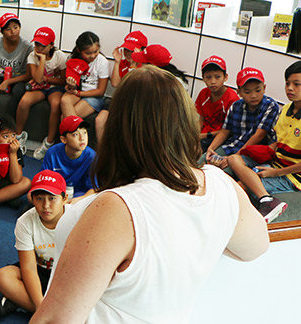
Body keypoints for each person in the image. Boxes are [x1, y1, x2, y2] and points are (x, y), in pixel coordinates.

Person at [30, 66, 270, 323]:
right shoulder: (221, 185)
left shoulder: (117, 208)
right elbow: (255, 247)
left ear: (119, 128)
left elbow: (54, 320)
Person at [226, 61, 301, 223]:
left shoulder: (271, 106)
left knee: (242, 185)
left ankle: (265, 201)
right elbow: (278, 141)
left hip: (293, 176)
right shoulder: (286, 109)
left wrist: (274, 173)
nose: (290, 88)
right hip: (275, 162)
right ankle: (266, 198)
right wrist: (262, 152)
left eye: (297, 84)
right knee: (233, 159)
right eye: (287, 83)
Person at [0, 170, 68, 318]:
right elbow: (29, 268)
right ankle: (50, 313)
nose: (46, 205)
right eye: (39, 198)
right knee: (3, 276)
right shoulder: (25, 222)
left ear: (64, 198)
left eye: (52, 198)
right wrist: (41, 308)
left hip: (66, 275)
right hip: (39, 269)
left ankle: (21, 303)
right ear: (32, 199)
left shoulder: (76, 218)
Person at [205, 67, 280, 175]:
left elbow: (258, 136)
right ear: (239, 92)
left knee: (223, 174)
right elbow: (224, 132)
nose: (253, 95)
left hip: (253, 151)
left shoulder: (271, 106)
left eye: (258, 90)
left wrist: (233, 158)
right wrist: (211, 148)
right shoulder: (236, 106)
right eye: (247, 91)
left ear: (264, 88)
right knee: (201, 163)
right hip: (232, 145)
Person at [16, 27, 68, 160]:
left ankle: (48, 143)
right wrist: (42, 60)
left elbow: (63, 80)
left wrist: (48, 79)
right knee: (24, 102)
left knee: (56, 104)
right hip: (39, 87)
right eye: (37, 44)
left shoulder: (60, 56)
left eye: (43, 45)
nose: (38, 48)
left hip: (54, 87)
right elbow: (38, 79)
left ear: (51, 45)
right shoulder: (32, 56)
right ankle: (18, 136)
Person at [93, 31, 147, 144]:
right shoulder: (123, 63)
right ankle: (102, 152)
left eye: (131, 50)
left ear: (141, 50)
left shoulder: (146, 67)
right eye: (126, 49)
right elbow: (115, 84)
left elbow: (134, 89)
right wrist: (117, 62)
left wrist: (135, 64)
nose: (127, 53)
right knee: (99, 120)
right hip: (120, 99)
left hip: (136, 103)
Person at [42, 115, 97, 202]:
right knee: (32, 196)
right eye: (75, 134)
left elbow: (94, 188)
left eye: (84, 132)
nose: (82, 138)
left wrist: (79, 199)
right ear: (63, 139)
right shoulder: (52, 153)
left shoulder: (92, 156)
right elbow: (44, 182)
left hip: (79, 193)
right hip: (55, 192)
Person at [59, 31, 109, 119]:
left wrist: (78, 93)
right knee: (64, 100)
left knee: (64, 118)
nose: (93, 56)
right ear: (79, 50)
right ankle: (76, 132)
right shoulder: (72, 59)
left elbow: (101, 91)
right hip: (77, 92)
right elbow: (71, 86)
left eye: (96, 51)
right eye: (88, 53)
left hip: (94, 96)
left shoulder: (102, 62)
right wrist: (71, 86)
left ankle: (76, 132)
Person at [196, 56, 239, 152]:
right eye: (208, 77)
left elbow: (230, 131)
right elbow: (201, 118)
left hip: (221, 138)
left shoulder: (232, 98)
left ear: (225, 77)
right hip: (203, 135)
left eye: (217, 77)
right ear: (203, 78)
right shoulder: (203, 93)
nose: (213, 81)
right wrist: (195, 135)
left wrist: (203, 136)